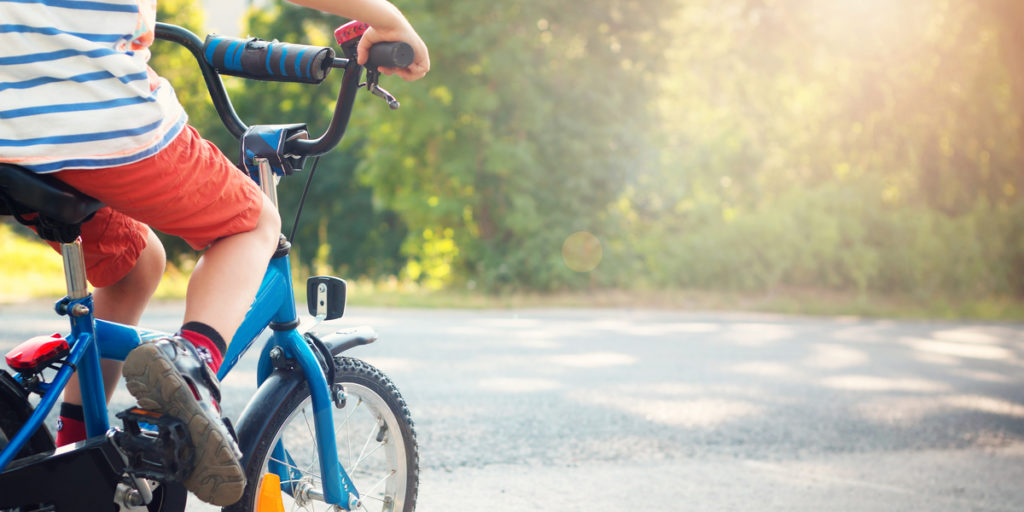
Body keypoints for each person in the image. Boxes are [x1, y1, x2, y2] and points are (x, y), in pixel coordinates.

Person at [0, 0, 428, 506]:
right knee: (252, 224)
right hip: (92, 110)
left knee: (134, 264)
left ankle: (73, 463)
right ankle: (192, 365)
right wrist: (387, 18)